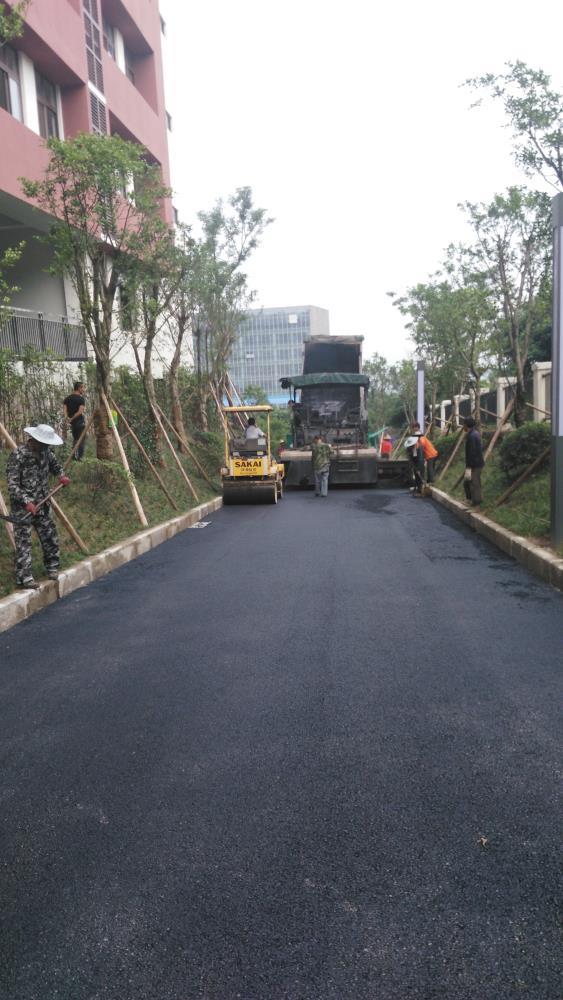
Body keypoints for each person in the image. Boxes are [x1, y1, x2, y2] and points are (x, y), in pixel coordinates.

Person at [6, 424, 70, 589]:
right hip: (23, 509)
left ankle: (52, 567)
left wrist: (61, 476)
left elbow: (56, 467)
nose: (46, 447)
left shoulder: (47, 453)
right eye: (43, 444)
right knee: (23, 543)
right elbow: (13, 485)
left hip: (42, 504)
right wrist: (27, 501)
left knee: (50, 536)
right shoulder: (18, 455)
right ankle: (25, 578)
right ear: (34, 440)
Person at [463, 417, 485, 507]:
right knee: (467, 482)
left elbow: (472, 452)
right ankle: (472, 500)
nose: (462, 426)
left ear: (466, 425)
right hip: (475, 463)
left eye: (463, 424)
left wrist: (469, 466)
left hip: (474, 464)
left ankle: (477, 503)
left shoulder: (472, 436)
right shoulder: (474, 433)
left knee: (474, 483)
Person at [63, 381, 87, 460]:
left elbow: (65, 410)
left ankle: (73, 457)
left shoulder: (67, 399)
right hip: (80, 422)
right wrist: (72, 418)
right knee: (81, 440)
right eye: (83, 388)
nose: (84, 389)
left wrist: (68, 418)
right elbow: (80, 412)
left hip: (73, 424)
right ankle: (80, 458)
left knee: (75, 439)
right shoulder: (81, 399)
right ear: (79, 388)